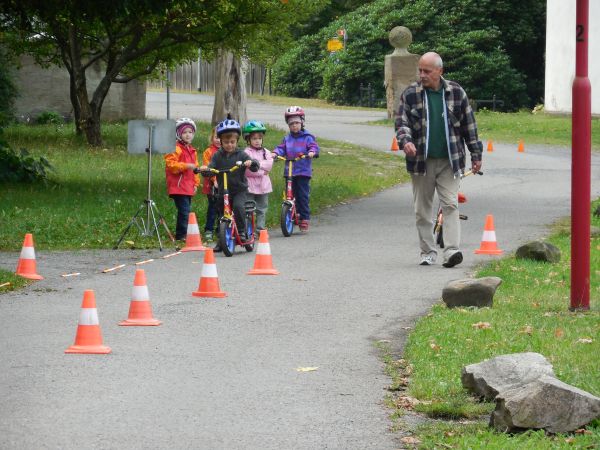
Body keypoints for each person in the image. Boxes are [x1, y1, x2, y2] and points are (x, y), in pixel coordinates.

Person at [395, 51, 483, 268]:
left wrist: (476, 154)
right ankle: (427, 252)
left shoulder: (456, 92)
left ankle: (452, 251)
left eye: (427, 71)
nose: (422, 75)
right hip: (420, 161)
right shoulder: (410, 94)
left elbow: (469, 125)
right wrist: (405, 141)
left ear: (440, 71)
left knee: (451, 204)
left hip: (450, 160)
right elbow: (401, 123)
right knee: (422, 210)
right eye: (420, 70)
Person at [199, 116, 259, 252]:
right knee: (220, 213)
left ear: (237, 141)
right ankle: (222, 239)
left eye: (232, 142)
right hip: (223, 191)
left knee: (238, 207)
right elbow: (211, 167)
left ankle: (242, 231)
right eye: (226, 142)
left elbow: (254, 166)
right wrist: (205, 170)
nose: (229, 145)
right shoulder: (217, 156)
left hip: (239, 190)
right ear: (220, 141)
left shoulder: (241, 155)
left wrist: (252, 163)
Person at [272, 106, 320, 233]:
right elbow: (281, 148)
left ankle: (304, 218)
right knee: (290, 194)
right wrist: (276, 153)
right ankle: (291, 213)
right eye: (291, 123)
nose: (294, 126)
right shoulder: (287, 138)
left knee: (302, 195)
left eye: (297, 123)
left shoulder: (308, 137)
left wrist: (311, 152)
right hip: (289, 172)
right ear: (288, 125)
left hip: (303, 172)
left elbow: (314, 147)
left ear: (302, 122)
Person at [164, 117, 200, 242]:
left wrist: (196, 183)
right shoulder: (175, 148)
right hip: (178, 186)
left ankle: (184, 232)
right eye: (184, 132)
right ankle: (181, 234)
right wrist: (186, 166)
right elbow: (171, 165)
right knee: (185, 211)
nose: (188, 135)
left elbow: (196, 169)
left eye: (190, 132)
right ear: (178, 134)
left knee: (186, 210)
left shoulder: (192, 150)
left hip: (187, 186)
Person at [242, 120, 273, 237]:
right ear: (248, 139)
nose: (257, 141)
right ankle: (248, 231)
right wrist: (260, 167)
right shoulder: (246, 152)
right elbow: (248, 170)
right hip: (250, 186)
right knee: (248, 209)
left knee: (262, 208)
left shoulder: (266, 152)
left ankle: (260, 230)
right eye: (254, 138)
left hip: (263, 185)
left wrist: (256, 165)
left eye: (259, 138)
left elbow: (269, 166)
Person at [201, 127, 220, 241]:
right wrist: (214, 179)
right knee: (212, 208)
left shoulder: (227, 151)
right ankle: (209, 230)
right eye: (216, 137)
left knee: (223, 209)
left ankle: (220, 229)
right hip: (212, 186)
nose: (218, 140)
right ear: (212, 137)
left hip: (225, 184)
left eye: (220, 138)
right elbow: (208, 167)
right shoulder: (208, 152)